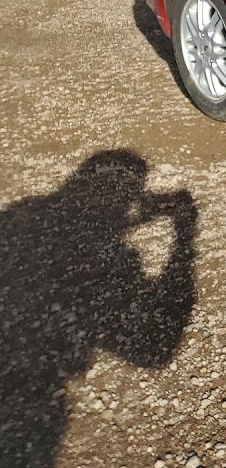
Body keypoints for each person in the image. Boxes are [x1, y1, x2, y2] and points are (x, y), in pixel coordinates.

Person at [0, 151, 198, 468]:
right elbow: (154, 352)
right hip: (29, 409)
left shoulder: (18, 219)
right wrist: (184, 236)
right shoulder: (110, 260)